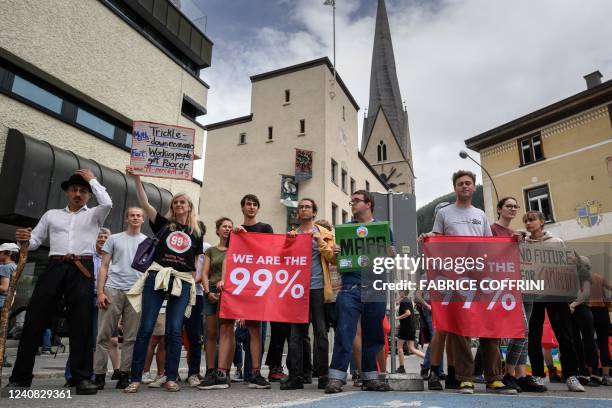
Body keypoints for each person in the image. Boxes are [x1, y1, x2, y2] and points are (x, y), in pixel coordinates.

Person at [8, 169, 112, 395]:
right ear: (67, 192)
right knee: (34, 320)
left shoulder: (95, 214)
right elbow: (35, 241)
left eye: (83, 191)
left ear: (89, 195)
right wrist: (23, 239)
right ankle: (20, 378)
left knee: (82, 324)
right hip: (54, 266)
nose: (78, 194)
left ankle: (81, 378)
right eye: (74, 190)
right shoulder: (51, 215)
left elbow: (108, 202)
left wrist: (92, 179)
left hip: (81, 268)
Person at [421, 170, 515, 395]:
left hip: (480, 275)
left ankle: (494, 378)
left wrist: (512, 242)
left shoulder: (480, 214)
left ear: (473, 188)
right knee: (459, 328)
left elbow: (488, 245)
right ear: (455, 188)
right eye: (461, 183)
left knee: (489, 325)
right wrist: (427, 239)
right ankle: (465, 378)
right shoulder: (444, 213)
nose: (465, 186)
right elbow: (437, 242)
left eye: (469, 183)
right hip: (455, 277)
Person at [124, 167, 203, 393]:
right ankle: (136, 378)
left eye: (182, 202)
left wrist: (194, 278)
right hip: (158, 276)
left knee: (175, 330)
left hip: (182, 280)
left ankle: (170, 377)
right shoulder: (162, 224)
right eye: (175, 202)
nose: (178, 205)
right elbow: (144, 201)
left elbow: (197, 258)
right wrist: (137, 178)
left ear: (189, 207)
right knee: (146, 327)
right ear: (172, 207)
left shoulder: (197, 230)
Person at [203, 194, 272, 390]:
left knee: (254, 329)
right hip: (235, 285)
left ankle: (256, 374)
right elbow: (229, 258)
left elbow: (271, 252)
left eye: (254, 204)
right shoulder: (234, 234)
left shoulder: (265, 228)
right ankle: (221, 374)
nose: (251, 207)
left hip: (256, 284)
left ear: (258, 208)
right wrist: (225, 279)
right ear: (242, 208)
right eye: (248, 204)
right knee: (226, 327)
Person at [325, 190, 391, 393]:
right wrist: (335, 253)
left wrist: (391, 253)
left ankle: (370, 378)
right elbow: (339, 261)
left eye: (356, 201)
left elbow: (389, 261)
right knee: (344, 331)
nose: (352, 204)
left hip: (375, 287)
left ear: (368, 204)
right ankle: (336, 378)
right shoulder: (346, 230)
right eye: (351, 200)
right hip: (350, 287)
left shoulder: (382, 229)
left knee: (374, 334)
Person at [524, 210, 585, 392]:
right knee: (533, 335)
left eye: (532, 219)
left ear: (542, 221)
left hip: (555, 293)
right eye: (526, 220)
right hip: (533, 294)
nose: (528, 223)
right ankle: (537, 375)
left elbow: (570, 266)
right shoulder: (522, 243)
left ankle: (571, 376)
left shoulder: (557, 242)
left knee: (564, 334)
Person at [492, 198, 546, 393]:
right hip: (506, 286)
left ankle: (521, 376)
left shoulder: (519, 233)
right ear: (499, 209)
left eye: (516, 206)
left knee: (527, 331)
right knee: (520, 330)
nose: (513, 209)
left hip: (525, 283)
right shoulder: (492, 230)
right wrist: (511, 243)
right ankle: (508, 374)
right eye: (509, 206)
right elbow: (489, 257)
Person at [281, 198, 334, 390]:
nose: (303, 209)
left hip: (319, 288)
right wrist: (287, 244)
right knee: (296, 334)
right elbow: (281, 260)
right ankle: (297, 376)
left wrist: (320, 242)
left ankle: (323, 376)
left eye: (307, 207)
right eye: (301, 207)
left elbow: (334, 259)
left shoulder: (326, 234)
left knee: (321, 333)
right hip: (297, 290)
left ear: (314, 212)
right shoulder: (292, 235)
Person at [93, 208, 147, 389]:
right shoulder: (114, 238)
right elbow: (104, 266)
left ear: (143, 219)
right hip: (112, 289)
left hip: (136, 292)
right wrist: (100, 292)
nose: (135, 218)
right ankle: (99, 374)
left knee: (131, 337)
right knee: (103, 335)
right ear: (126, 219)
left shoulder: (147, 241)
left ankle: (125, 373)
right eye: (132, 215)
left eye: (138, 215)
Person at [65, 227, 111, 386]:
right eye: (100, 237)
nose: (102, 240)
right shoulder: (87, 255)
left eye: (105, 237)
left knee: (96, 338)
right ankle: (71, 375)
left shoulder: (110, 258)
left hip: (102, 299)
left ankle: (88, 374)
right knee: (80, 336)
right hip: (84, 297)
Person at [198, 217, 232, 388]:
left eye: (230, 227)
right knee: (210, 333)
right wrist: (207, 291)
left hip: (229, 294)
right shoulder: (211, 250)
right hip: (211, 292)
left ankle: (224, 370)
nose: (227, 229)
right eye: (224, 226)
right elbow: (204, 273)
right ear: (218, 230)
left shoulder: (237, 249)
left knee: (227, 332)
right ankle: (211, 370)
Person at [182, 225, 209, 388]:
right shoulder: (181, 243)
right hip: (176, 292)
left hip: (196, 294)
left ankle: (194, 372)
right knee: (172, 334)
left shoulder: (207, 248)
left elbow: (207, 271)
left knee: (195, 336)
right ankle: (167, 373)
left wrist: (193, 281)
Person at [570, 255, 601, 386]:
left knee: (589, 341)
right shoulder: (570, 275)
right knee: (576, 342)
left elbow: (586, 292)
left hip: (582, 309)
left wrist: (574, 304)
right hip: (571, 311)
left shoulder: (584, 273)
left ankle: (595, 374)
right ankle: (582, 372)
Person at [589, 264, 612, 385]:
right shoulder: (599, 277)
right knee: (603, 344)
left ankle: (592, 374)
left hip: (589, 311)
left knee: (589, 343)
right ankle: (606, 375)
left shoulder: (580, 278)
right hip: (602, 312)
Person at [0, 242, 19, 368]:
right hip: (7, 303)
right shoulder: (15, 266)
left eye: (1, 252)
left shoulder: (5, 267)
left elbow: (4, 288)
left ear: (8, 253)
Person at [396, 291, 424, 373]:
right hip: (411, 327)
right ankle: (428, 360)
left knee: (399, 346)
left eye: (399, 291)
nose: (398, 293)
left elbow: (408, 313)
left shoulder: (404, 301)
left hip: (405, 328)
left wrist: (397, 318)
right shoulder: (408, 300)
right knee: (412, 348)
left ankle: (401, 367)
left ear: (403, 292)